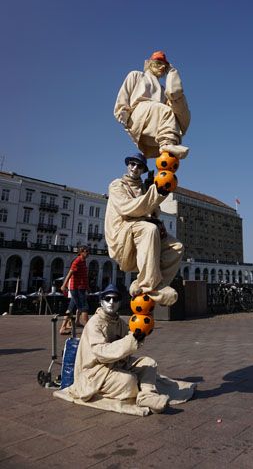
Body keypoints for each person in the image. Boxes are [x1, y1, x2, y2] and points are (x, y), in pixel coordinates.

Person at [54, 284, 196, 415]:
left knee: (149, 363)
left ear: (119, 303)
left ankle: (147, 396)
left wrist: (139, 336)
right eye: (107, 298)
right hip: (96, 372)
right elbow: (102, 353)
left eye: (115, 299)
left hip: (118, 364)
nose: (111, 302)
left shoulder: (120, 323)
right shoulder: (94, 324)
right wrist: (131, 340)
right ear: (101, 301)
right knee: (129, 381)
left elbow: (128, 344)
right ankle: (135, 391)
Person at [105, 152, 182, 306]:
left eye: (139, 166)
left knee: (176, 247)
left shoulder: (143, 187)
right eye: (132, 164)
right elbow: (129, 208)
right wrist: (156, 192)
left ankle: (146, 284)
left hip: (138, 231)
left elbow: (153, 212)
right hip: (122, 234)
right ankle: (149, 285)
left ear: (143, 170)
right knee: (149, 230)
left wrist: (150, 190)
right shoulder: (117, 185)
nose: (135, 168)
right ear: (127, 165)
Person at [114, 51, 190, 160]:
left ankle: (168, 143)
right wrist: (124, 117)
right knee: (164, 110)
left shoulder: (163, 90)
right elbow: (123, 97)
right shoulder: (136, 75)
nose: (162, 67)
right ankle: (166, 143)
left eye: (164, 66)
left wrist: (172, 73)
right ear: (150, 63)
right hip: (137, 115)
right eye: (158, 63)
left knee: (174, 112)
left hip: (154, 120)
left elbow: (175, 97)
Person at [61, 245, 90, 327]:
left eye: (88, 251)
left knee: (70, 307)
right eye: (86, 251)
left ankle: (63, 327)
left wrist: (87, 286)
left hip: (81, 287)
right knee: (84, 307)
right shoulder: (77, 261)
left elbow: (84, 276)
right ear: (81, 252)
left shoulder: (83, 261)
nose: (88, 253)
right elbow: (69, 274)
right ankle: (89, 327)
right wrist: (64, 285)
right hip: (77, 288)